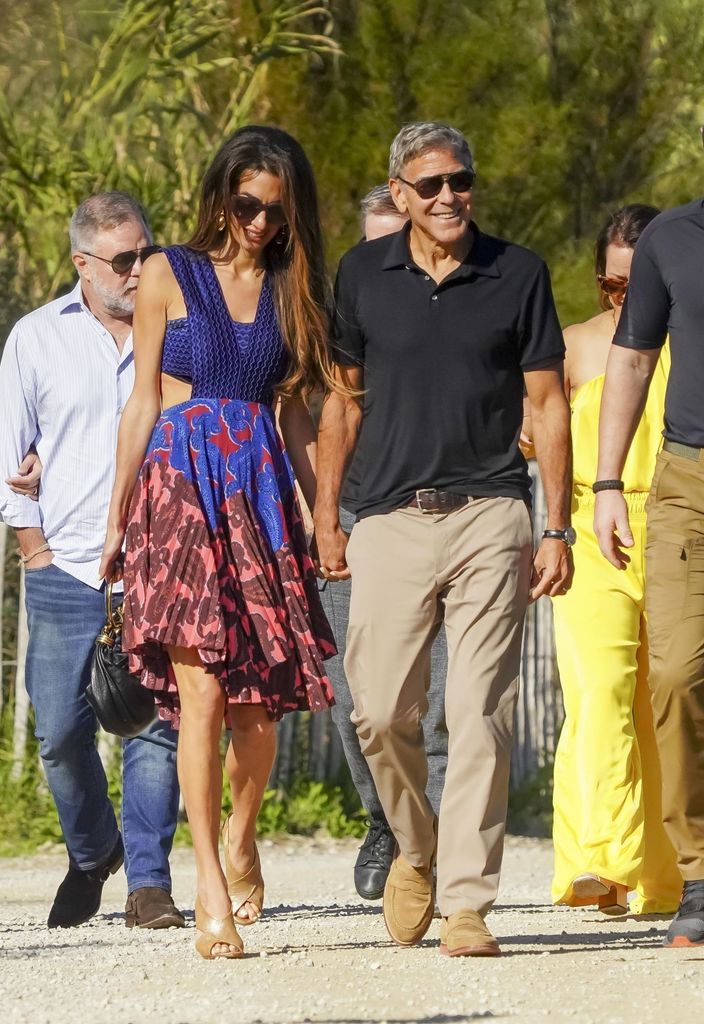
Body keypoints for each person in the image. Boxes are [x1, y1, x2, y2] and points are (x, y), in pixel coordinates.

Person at [315, 122, 573, 957]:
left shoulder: (518, 273)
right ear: (400, 195)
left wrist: (557, 524)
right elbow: (342, 404)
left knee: (478, 713)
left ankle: (467, 902)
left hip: (492, 511)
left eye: (460, 180)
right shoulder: (360, 275)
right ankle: (416, 849)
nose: (449, 196)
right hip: (386, 516)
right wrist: (326, 517)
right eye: (429, 186)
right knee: (378, 709)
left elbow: (548, 405)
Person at [100, 126, 337, 960]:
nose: (260, 224)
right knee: (198, 692)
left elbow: (300, 414)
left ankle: (241, 832)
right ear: (221, 195)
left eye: (276, 210)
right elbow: (140, 406)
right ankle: (207, 881)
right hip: (177, 489)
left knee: (256, 705)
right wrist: (115, 517)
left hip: (260, 494)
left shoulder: (293, 289)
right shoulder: (168, 271)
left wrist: (325, 513)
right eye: (246, 205)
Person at [0, 193, 184, 931]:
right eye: (123, 259)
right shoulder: (36, 339)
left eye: (145, 252)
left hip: (160, 562)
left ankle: (150, 884)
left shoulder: (179, 335)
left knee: (154, 724)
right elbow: (9, 460)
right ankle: (94, 848)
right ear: (82, 263)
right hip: (66, 567)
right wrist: (33, 553)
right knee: (60, 731)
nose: (138, 270)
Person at [550, 205, 681, 917]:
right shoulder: (572, 347)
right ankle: (599, 855)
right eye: (611, 285)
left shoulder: (687, 349)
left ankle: (661, 877)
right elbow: (530, 436)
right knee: (599, 688)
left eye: (640, 283)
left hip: (676, 527)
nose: (625, 300)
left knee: (665, 700)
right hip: (589, 527)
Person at [319, 183, 449, 901]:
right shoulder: (338, 316)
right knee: (353, 700)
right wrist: (324, 517)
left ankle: (433, 848)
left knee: (442, 707)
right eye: (372, 245)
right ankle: (384, 821)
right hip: (361, 522)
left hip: (448, 520)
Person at [595, 194, 704, 947]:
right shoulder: (673, 236)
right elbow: (632, 357)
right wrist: (606, 485)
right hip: (688, 482)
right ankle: (700, 874)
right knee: (675, 673)